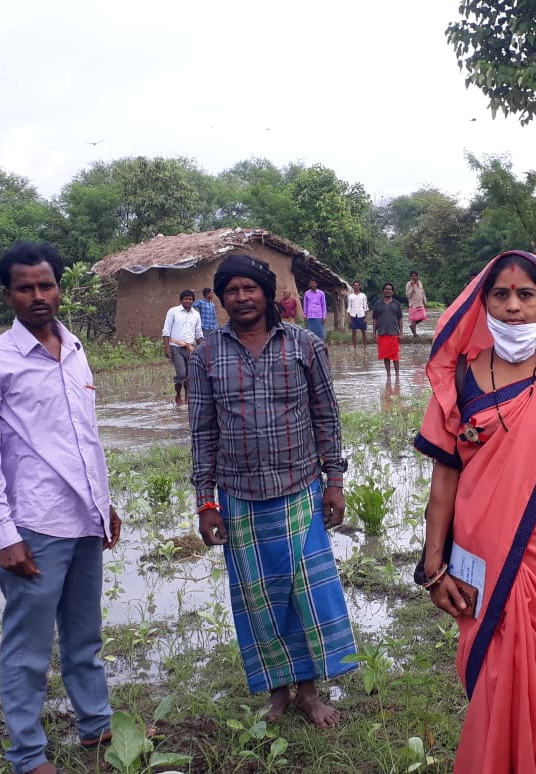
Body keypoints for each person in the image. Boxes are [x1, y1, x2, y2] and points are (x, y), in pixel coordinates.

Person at [414, 250, 536, 773]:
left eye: (526, 295)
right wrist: (434, 568)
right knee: (496, 673)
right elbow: (445, 479)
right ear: (483, 303)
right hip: (480, 551)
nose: (514, 306)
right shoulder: (460, 379)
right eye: (501, 294)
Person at [0, 241, 123, 774]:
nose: (37, 296)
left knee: (85, 636)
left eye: (45, 285)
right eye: (24, 288)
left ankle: (96, 726)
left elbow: (84, 438)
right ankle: (27, 755)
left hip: (83, 519)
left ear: (59, 288)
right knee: (27, 649)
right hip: (33, 524)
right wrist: (4, 533)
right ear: (7, 295)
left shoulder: (74, 349)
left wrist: (105, 503)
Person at [188, 254, 356, 728]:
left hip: (300, 489)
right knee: (259, 600)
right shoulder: (206, 354)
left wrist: (335, 481)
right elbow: (202, 432)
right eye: (232, 291)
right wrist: (206, 502)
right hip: (239, 497)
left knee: (304, 596)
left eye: (250, 288)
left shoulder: (304, 345)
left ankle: (309, 692)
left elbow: (327, 417)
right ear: (222, 299)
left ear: (266, 293)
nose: (242, 297)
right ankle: (278, 693)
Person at [162, 289, 203, 406]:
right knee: (181, 374)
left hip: (190, 348)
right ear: (181, 300)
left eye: (190, 299)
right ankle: (178, 395)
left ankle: (187, 398)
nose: (187, 301)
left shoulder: (196, 314)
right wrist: (167, 348)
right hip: (176, 347)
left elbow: (199, 334)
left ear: (193, 301)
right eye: (185, 298)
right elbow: (166, 330)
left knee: (190, 375)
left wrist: (205, 348)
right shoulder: (173, 311)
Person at [372, 282, 402, 378]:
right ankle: (388, 374)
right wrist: (374, 333)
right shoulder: (377, 304)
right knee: (386, 356)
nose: (387, 291)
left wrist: (401, 333)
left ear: (392, 292)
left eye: (389, 289)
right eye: (386, 289)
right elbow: (375, 319)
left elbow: (400, 319)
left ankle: (397, 375)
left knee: (395, 357)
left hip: (394, 333)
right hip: (382, 333)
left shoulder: (396, 304)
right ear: (383, 291)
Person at [405, 270, 427, 338]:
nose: (414, 277)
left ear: (417, 276)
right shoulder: (408, 284)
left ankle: (412, 326)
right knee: (413, 319)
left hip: (420, 304)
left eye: (415, 276)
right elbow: (408, 295)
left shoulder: (420, 283)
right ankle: (415, 334)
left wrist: (425, 302)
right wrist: (412, 286)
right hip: (413, 305)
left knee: (423, 317)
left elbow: (423, 293)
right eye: (412, 276)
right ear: (410, 277)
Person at [346, 280, 369, 347]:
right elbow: (349, 307)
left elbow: (366, 307)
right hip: (353, 315)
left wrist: (365, 317)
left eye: (357, 285)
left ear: (359, 286)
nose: (356, 286)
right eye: (355, 285)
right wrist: (349, 318)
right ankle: (355, 348)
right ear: (353, 287)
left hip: (361, 315)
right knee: (354, 332)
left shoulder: (363, 295)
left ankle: (365, 347)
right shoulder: (350, 296)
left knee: (364, 332)